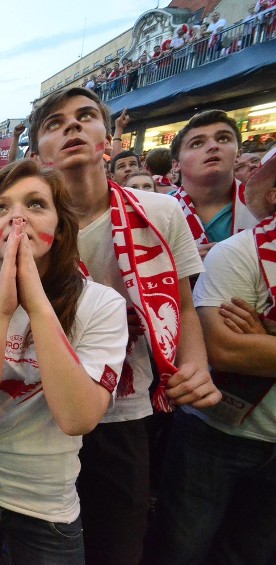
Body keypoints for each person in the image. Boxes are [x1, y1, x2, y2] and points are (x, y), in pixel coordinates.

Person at [28, 87, 220, 565]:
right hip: (41, 412)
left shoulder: (160, 212)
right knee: (47, 542)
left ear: (107, 138)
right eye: (55, 123)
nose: (72, 126)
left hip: (124, 412)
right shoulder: (26, 226)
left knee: (117, 543)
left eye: (86, 116)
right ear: (37, 155)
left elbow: (181, 303)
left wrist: (193, 364)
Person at [0, 159, 128, 564]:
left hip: (47, 500)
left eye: (36, 205)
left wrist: (37, 304)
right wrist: (1, 310)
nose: (17, 217)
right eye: (1, 208)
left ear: (60, 229)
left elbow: (78, 418)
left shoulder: (101, 304)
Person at [147, 149, 276, 565]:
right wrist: (251, 345)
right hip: (217, 434)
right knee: (181, 546)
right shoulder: (240, 253)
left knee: (250, 552)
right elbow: (224, 348)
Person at [170, 110, 257, 259]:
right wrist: (181, 265)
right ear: (176, 164)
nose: (213, 146)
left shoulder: (266, 206)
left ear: (238, 155)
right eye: (197, 143)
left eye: (223, 139)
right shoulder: (157, 211)